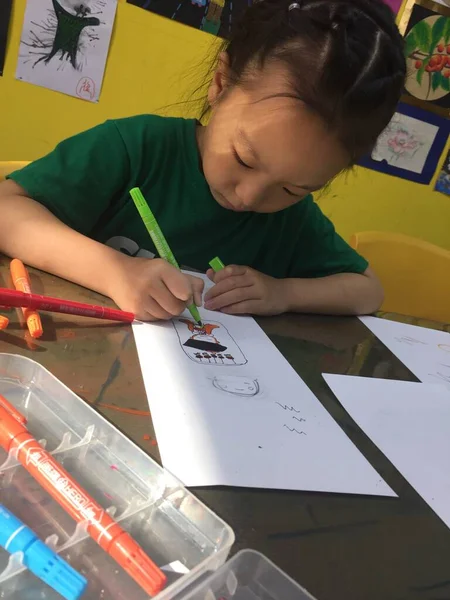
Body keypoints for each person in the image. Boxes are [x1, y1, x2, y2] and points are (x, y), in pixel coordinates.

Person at [0, 0, 406, 321]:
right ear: (221, 83)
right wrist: (115, 271)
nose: (248, 197)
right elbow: (5, 210)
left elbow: (368, 290)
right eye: (244, 159)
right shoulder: (136, 148)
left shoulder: (292, 219)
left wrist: (283, 293)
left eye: (293, 188)